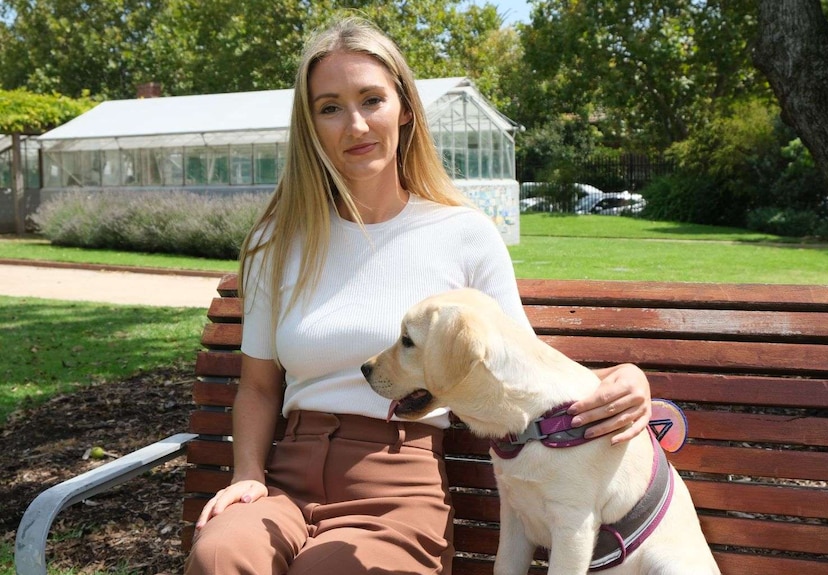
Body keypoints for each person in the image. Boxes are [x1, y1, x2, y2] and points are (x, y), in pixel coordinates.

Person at [185, 16, 652, 575]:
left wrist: (626, 379)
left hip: (398, 482)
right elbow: (259, 389)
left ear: (404, 107)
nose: (355, 124)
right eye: (329, 107)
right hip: (286, 479)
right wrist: (247, 477)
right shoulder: (276, 241)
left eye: (371, 100)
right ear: (309, 124)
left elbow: (524, 370)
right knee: (220, 556)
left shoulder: (463, 234)